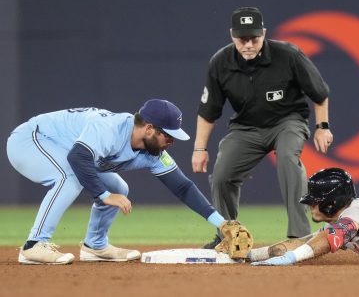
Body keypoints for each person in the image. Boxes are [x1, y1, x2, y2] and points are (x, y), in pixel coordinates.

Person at [7, 99, 231, 265]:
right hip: (31, 140)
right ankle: (33, 245)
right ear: (149, 128)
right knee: (70, 176)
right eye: (168, 135)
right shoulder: (111, 129)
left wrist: (222, 223)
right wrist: (103, 196)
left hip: (67, 149)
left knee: (119, 187)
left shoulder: (152, 152)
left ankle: (95, 246)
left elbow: (182, 187)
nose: (171, 141)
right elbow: (77, 157)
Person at [192, 6, 333, 248]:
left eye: (254, 38)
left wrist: (323, 126)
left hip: (287, 121)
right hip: (246, 128)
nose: (248, 44)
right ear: (232, 35)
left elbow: (319, 93)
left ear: (264, 33)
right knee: (223, 174)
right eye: (242, 38)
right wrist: (199, 148)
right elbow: (208, 112)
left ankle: (299, 236)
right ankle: (227, 235)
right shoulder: (220, 62)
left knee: (288, 158)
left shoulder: (288, 55)